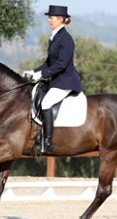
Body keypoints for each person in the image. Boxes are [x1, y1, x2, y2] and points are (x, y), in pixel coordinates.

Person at [23, 5, 83, 154]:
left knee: (46, 103)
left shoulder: (66, 39)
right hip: (56, 80)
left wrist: (42, 75)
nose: (49, 20)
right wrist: (34, 71)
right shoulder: (55, 37)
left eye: (52, 17)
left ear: (61, 19)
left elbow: (61, 64)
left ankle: (48, 143)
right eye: (49, 17)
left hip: (66, 81)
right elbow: (49, 63)